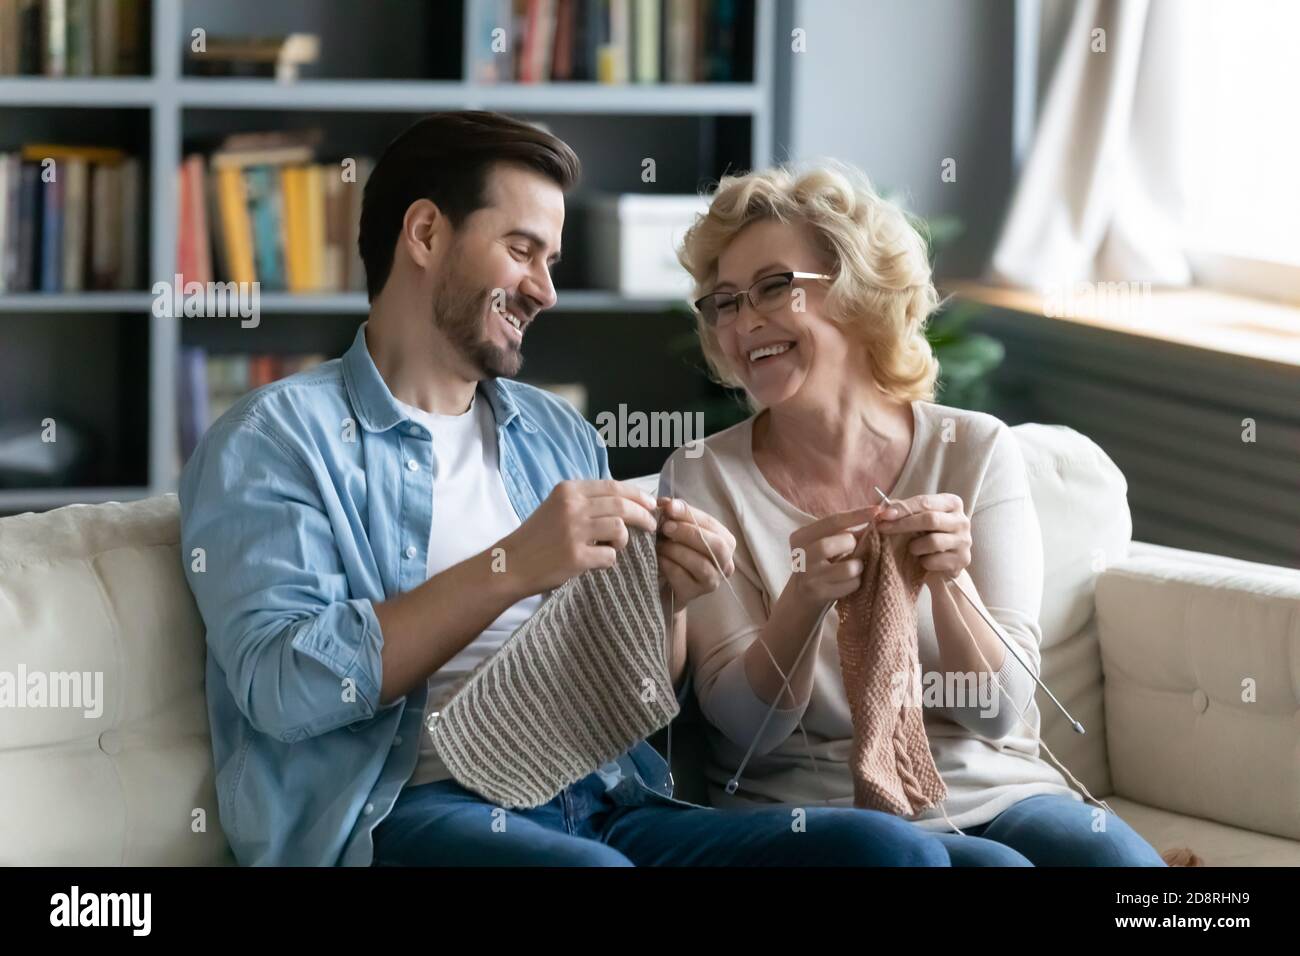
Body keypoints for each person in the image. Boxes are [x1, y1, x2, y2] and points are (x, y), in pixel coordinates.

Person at [179, 112, 955, 866]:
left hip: (606, 799)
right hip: (412, 807)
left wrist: (667, 599)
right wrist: (512, 565)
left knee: (886, 850)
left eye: (550, 260)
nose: (545, 290)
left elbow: (637, 681)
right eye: (523, 251)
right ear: (424, 233)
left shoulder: (556, 435)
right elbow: (285, 686)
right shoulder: (277, 438)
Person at [662, 159, 1167, 866]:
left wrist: (951, 583)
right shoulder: (701, 476)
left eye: (774, 287)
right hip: (817, 810)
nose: (746, 322)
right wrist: (803, 601)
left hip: (998, 787)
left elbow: (997, 710)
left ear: (855, 291)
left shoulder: (975, 449)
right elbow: (743, 732)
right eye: (725, 302)